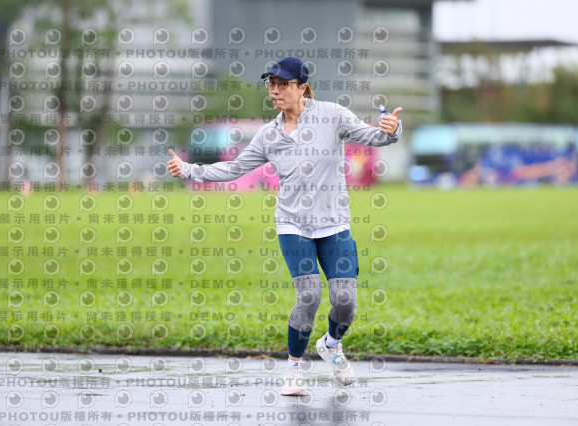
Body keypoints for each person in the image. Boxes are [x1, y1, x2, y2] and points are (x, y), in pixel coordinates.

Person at [167, 56, 402, 396]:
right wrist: (189, 170)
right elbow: (235, 168)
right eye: (271, 85)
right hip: (293, 225)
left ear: (302, 87)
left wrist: (392, 130)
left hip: (334, 224)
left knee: (345, 301)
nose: (275, 91)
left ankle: (331, 345)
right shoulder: (269, 134)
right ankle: (293, 370)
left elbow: (375, 136)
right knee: (309, 296)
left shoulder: (332, 115)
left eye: (282, 85)